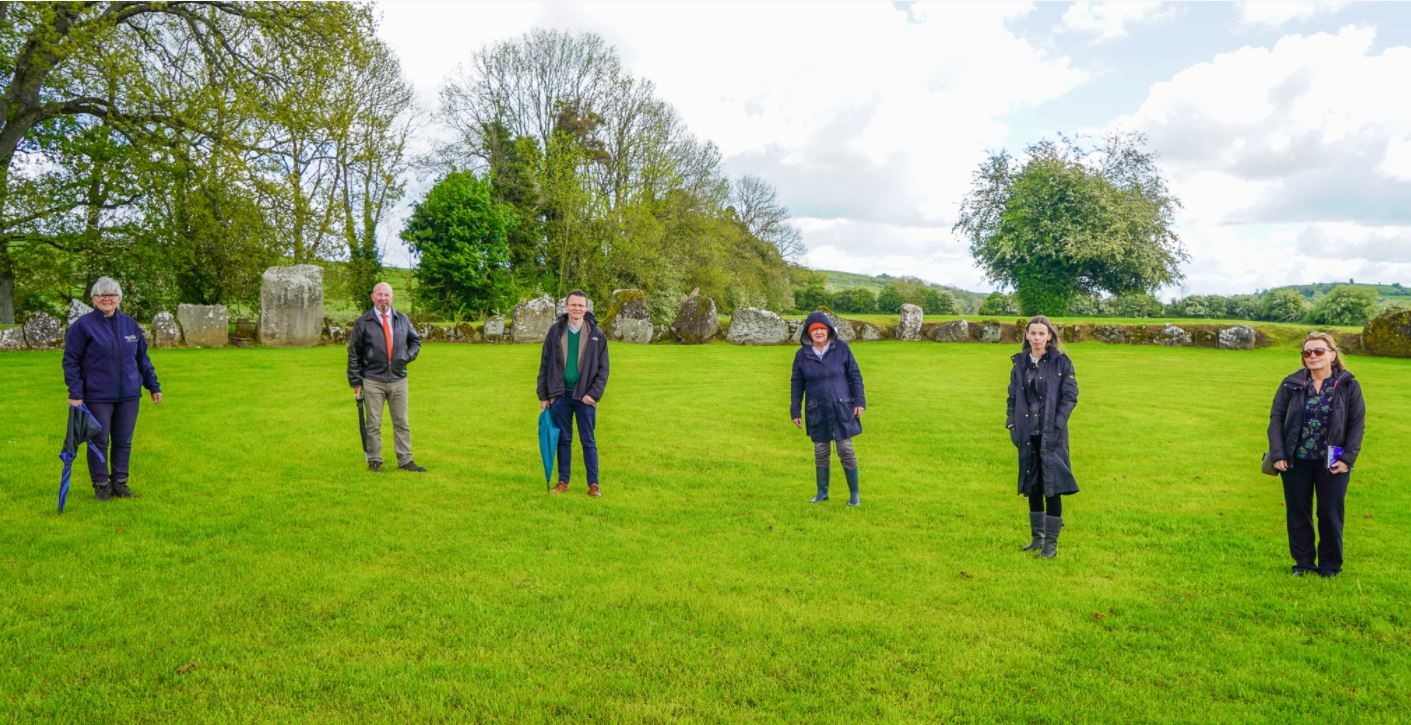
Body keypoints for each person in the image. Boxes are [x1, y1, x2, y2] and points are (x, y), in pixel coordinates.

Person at [1267, 332, 1366, 578]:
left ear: (1332, 354)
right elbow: (1276, 419)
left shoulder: (1348, 384)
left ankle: (1329, 567)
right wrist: (1279, 454)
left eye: (1319, 351)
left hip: (1333, 462)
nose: (1312, 356)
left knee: (1330, 514)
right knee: (1298, 514)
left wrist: (1347, 459)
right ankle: (1303, 564)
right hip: (1295, 461)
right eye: (1307, 352)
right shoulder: (1291, 384)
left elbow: (1357, 423)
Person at [62, 277, 162, 500]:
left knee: (123, 440)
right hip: (97, 395)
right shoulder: (83, 326)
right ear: (94, 298)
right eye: (101, 294)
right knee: (98, 441)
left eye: (112, 294)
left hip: (128, 395)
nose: (107, 298)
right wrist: (75, 393)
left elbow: (142, 359)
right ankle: (101, 485)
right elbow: (71, 361)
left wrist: (153, 385)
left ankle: (120, 483)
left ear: (119, 298)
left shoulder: (130, 325)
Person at [1006, 315, 1079, 558]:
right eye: (1033, 333)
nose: (1037, 338)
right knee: (1033, 485)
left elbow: (1070, 397)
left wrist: (1057, 425)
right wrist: (1011, 423)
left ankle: (1051, 546)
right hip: (1027, 434)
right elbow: (1013, 398)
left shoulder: (1061, 363)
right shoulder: (1020, 364)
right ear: (1026, 335)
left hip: (1052, 435)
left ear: (1050, 336)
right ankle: (1037, 539)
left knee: (1052, 487)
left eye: (1041, 333)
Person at [537, 290, 610, 497]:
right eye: (573, 305)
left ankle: (593, 484)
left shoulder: (596, 334)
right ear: (566, 307)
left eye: (580, 305)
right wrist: (543, 395)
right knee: (563, 439)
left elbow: (604, 369)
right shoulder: (555, 332)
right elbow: (545, 364)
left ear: (586, 308)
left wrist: (593, 395)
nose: (577, 308)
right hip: (560, 395)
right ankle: (563, 481)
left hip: (585, 397)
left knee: (588, 440)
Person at [347, 282, 425, 473]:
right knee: (373, 423)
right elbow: (353, 353)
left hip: (398, 379)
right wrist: (355, 381)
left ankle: (405, 460)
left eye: (387, 295)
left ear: (392, 297)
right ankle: (374, 460)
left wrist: (406, 358)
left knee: (402, 422)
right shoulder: (363, 322)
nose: (383, 298)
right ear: (373, 297)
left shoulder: (402, 319)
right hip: (373, 380)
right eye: (380, 295)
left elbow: (415, 341)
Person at [790, 311, 866, 506]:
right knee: (821, 451)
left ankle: (854, 495)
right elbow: (797, 384)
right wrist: (795, 411)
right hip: (817, 409)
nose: (819, 332)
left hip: (842, 407)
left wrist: (859, 401)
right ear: (808, 333)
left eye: (822, 329)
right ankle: (822, 493)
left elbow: (855, 376)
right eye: (814, 330)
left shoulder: (842, 348)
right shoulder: (801, 355)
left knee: (845, 449)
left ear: (829, 331)